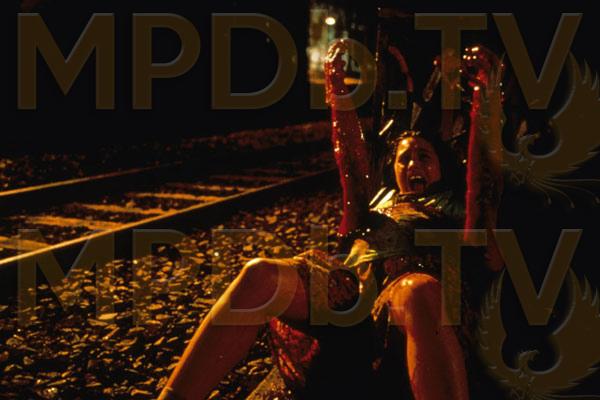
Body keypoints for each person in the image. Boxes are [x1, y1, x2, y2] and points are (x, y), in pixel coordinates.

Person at [158, 41, 503, 400]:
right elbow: (353, 169)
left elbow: (485, 188)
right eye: (403, 158)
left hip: (411, 305)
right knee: (259, 275)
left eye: (423, 156)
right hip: (350, 297)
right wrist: (336, 86)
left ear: (443, 169)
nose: (412, 163)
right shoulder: (379, 206)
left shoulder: (453, 210)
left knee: (417, 290)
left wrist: (487, 95)